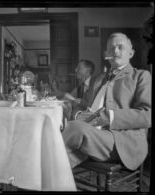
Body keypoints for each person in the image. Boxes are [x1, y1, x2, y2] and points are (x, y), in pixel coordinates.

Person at [62, 32, 151, 171]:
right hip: (91, 136)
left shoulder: (141, 76)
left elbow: (147, 115)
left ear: (131, 53)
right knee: (59, 163)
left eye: (120, 47)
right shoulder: (98, 79)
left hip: (121, 141)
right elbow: (84, 104)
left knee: (73, 129)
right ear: (106, 54)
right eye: (111, 48)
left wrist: (109, 117)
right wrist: (78, 114)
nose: (115, 51)